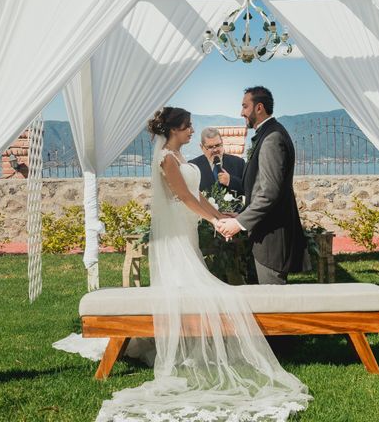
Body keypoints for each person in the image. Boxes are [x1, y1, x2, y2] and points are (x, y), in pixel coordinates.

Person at [97, 107, 310, 421]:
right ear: (174, 130)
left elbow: (196, 194)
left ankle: (190, 339)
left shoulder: (180, 158)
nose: (192, 132)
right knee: (191, 287)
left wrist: (221, 215)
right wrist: (213, 220)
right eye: (187, 127)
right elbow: (183, 198)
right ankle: (182, 344)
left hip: (188, 231)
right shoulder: (167, 160)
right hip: (174, 237)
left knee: (194, 285)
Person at [217, 87, 308, 285]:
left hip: (272, 238)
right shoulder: (268, 133)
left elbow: (269, 192)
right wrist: (240, 214)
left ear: (259, 108)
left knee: (274, 304)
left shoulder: (272, 138)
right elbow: (258, 187)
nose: (241, 112)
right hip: (265, 234)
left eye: (244, 106)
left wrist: (238, 224)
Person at [188, 127, 245, 196]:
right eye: (210, 147)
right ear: (202, 147)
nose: (215, 150)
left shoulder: (238, 163)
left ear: (222, 142)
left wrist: (230, 181)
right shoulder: (193, 166)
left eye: (218, 145)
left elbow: (249, 189)